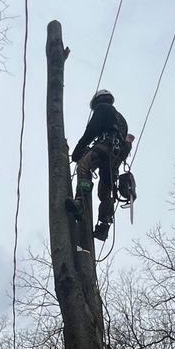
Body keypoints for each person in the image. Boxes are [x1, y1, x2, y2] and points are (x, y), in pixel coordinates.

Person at [71, 88, 131, 242]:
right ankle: (104, 226)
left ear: (97, 100)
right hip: (115, 158)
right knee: (105, 193)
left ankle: (80, 203)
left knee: (84, 166)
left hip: (104, 147)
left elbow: (91, 131)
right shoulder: (122, 119)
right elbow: (125, 144)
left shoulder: (102, 108)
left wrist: (77, 151)